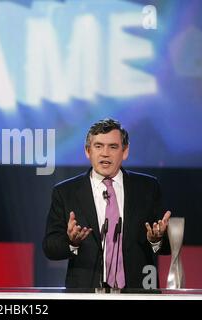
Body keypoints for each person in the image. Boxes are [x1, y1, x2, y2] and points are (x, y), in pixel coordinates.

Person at [43, 118, 171, 289]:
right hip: (85, 294)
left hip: (138, 292)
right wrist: (72, 242)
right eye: (98, 146)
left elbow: (167, 247)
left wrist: (155, 239)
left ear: (124, 151)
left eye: (113, 146)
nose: (105, 153)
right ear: (88, 151)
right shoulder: (66, 192)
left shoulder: (147, 188)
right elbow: (50, 248)